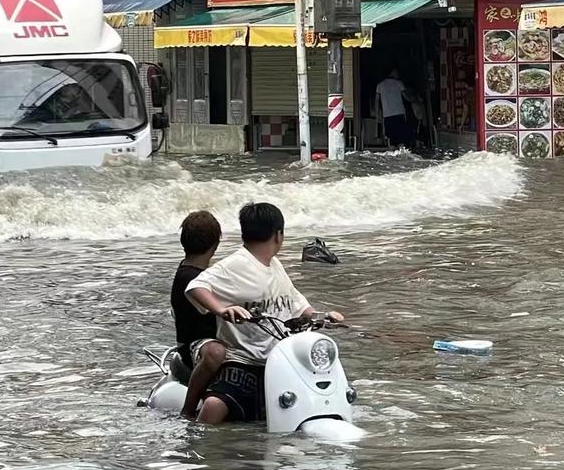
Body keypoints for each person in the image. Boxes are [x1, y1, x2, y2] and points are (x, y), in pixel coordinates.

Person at [186, 202, 344, 425]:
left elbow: (296, 301)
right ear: (278, 235)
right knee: (214, 406)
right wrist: (222, 310)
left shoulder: (275, 265)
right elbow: (195, 286)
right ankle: (192, 439)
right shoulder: (235, 265)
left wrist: (321, 316)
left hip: (279, 360)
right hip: (243, 361)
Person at [170, 210, 228, 419]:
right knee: (216, 351)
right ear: (215, 245)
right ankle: (188, 410)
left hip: (195, 347)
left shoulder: (188, 272)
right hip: (194, 351)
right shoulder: (195, 281)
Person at [375, 69, 413, 147]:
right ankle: (401, 155)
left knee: (391, 139)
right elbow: (406, 97)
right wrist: (414, 99)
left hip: (387, 115)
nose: (398, 74)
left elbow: (376, 100)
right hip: (399, 113)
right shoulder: (399, 83)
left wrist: (377, 113)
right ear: (392, 73)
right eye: (396, 72)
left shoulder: (380, 85)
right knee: (401, 138)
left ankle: (392, 155)